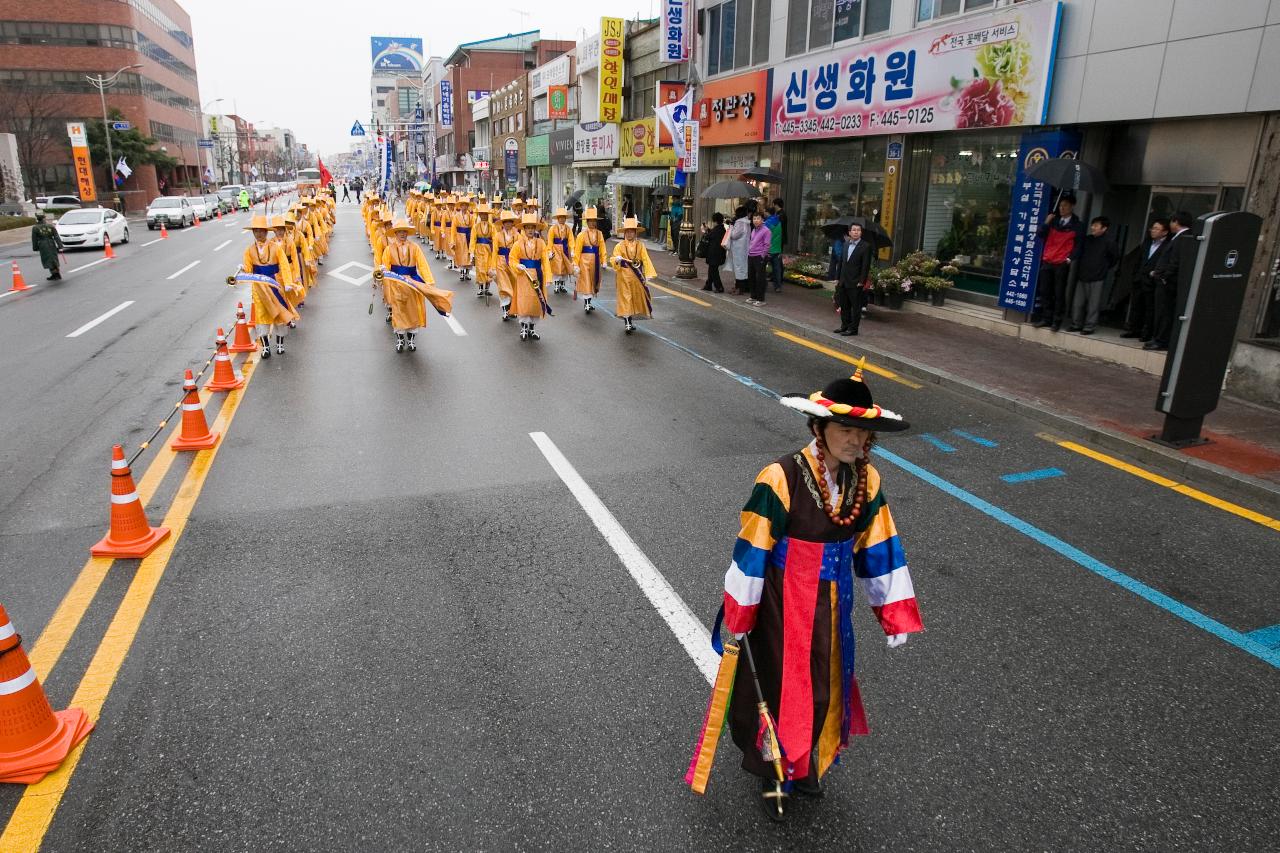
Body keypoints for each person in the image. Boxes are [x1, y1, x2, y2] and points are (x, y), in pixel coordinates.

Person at [707, 364, 921, 822]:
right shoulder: (779, 477)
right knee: (783, 686)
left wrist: (894, 611)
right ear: (819, 427)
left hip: (833, 603)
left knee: (826, 686)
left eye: (863, 433)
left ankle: (806, 763)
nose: (856, 441)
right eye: (845, 429)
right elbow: (752, 547)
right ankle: (774, 769)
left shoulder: (868, 482)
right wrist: (741, 612)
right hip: (783, 602)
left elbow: (880, 544)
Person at [376, 219, 453, 352]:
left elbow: (422, 264)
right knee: (399, 312)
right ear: (395, 233)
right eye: (399, 231)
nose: (402, 234)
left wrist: (429, 282)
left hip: (412, 283)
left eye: (404, 231)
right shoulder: (389, 249)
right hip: (396, 284)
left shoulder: (415, 247)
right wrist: (379, 275)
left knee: (412, 312)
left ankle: (411, 339)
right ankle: (400, 339)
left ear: (407, 233)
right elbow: (385, 267)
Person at [240, 214, 298, 358]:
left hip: (274, 284)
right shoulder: (249, 250)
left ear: (266, 232)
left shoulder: (275, 248)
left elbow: (284, 265)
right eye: (256, 231)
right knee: (261, 316)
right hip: (259, 288)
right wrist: (243, 269)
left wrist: (288, 282)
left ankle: (280, 345)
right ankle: (265, 347)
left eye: (261, 230)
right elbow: (248, 269)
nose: (259, 233)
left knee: (279, 314)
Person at [1147, 211, 1196, 352]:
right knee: (1162, 311)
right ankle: (1158, 338)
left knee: (1165, 312)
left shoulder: (1184, 238)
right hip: (1165, 280)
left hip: (1168, 283)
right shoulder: (1178, 237)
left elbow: (1175, 261)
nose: (1170, 224)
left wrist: (1164, 276)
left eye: (1171, 222)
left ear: (1176, 222)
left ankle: (1161, 340)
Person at [1033, 195, 1084, 331]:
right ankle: (1046, 318)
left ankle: (1057, 320)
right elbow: (1040, 235)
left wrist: (1069, 259)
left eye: (1065, 205)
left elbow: (1079, 246)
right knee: (1045, 291)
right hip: (1048, 260)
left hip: (1061, 263)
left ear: (1072, 206)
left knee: (1059, 292)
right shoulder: (1053, 221)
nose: (1062, 208)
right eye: (1060, 205)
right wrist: (1046, 222)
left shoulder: (1077, 225)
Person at [1068, 216, 1120, 335]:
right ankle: (1076, 323)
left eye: (1096, 225)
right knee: (1078, 303)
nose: (1093, 227)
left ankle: (1089, 326)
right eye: (1093, 225)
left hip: (1098, 277)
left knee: (1093, 304)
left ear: (1104, 228)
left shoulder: (1109, 242)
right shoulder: (1087, 239)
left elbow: (1114, 258)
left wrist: (1103, 268)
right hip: (1082, 275)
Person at [1121, 219, 1170, 341]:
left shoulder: (1167, 246)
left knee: (1149, 308)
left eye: (1157, 229)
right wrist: (1135, 275)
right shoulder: (1147, 243)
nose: (1153, 231)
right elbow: (1139, 260)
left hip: (1152, 281)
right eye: (1152, 228)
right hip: (1139, 279)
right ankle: (1133, 329)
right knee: (1136, 306)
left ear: (1164, 232)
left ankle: (1147, 332)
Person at [508, 212, 553, 340]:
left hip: (537, 275)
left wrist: (548, 277)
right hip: (524, 276)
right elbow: (512, 258)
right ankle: (523, 328)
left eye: (532, 227)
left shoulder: (541, 243)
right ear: (524, 229)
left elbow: (545, 260)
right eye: (527, 227)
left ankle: (532, 329)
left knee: (536, 302)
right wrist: (517, 265)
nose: (530, 230)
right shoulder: (518, 244)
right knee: (524, 301)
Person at [609, 217, 656, 334]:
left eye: (632, 231)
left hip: (637, 276)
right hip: (624, 275)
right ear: (625, 232)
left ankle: (631, 319)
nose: (629, 233)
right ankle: (628, 323)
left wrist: (649, 273)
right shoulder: (619, 246)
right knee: (626, 298)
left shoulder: (640, 245)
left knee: (635, 297)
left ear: (635, 233)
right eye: (627, 231)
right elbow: (613, 258)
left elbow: (645, 259)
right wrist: (617, 259)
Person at [835, 223, 872, 336]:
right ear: (849, 232)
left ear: (861, 233)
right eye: (854, 230)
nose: (856, 232)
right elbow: (841, 263)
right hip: (843, 281)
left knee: (855, 307)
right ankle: (844, 326)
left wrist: (862, 281)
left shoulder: (865, 246)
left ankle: (853, 329)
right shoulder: (846, 244)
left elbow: (865, 266)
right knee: (844, 305)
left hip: (856, 282)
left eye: (858, 230)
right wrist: (837, 278)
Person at [574, 206, 606, 312]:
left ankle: (589, 301)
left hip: (596, 261)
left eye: (594, 221)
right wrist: (575, 264)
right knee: (586, 280)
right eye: (590, 221)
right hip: (584, 261)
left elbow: (602, 247)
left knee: (593, 280)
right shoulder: (581, 235)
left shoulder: (600, 234)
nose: (592, 223)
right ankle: (587, 303)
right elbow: (577, 250)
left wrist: (604, 260)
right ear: (586, 222)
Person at [493, 209, 520, 321]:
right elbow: (494, 251)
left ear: (512, 223)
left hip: (513, 262)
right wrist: (492, 267)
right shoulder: (497, 235)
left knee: (514, 286)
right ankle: (505, 310)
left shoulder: (518, 235)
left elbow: (521, 250)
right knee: (504, 287)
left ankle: (512, 309)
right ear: (503, 223)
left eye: (510, 221)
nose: (508, 224)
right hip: (501, 262)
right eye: (505, 222)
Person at [470, 203, 496, 298]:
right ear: (479, 215)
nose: (484, 216)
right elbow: (473, 239)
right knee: (480, 269)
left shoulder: (492, 226)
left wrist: (493, 244)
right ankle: (481, 287)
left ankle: (487, 288)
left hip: (489, 250)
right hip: (479, 249)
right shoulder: (476, 227)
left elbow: (495, 238)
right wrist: (472, 252)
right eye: (482, 214)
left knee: (489, 269)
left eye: (485, 214)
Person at [548, 207, 575, 293]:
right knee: (557, 267)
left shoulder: (568, 229)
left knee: (565, 267)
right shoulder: (552, 228)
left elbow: (571, 239)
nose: (562, 219)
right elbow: (550, 241)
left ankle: (562, 285)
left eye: (563, 217)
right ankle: (556, 285)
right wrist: (550, 251)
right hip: (556, 250)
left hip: (565, 249)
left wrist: (572, 250)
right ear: (557, 218)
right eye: (560, 217)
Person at [746, 212, 771, 306]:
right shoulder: (754, 230)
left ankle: (761, 299)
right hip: (751, 256)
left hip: (759, 257)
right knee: (751, 276)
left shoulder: (766, 231)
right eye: (754, 219)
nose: (756, 220)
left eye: (758, 218)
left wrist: (762, 256)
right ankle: (753, 296)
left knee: (760, 278)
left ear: (762, 220)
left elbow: (767, 245)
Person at [30, 213, 63, 280]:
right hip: (51, 243)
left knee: (47, 259)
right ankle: (56, 273)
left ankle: (55, 274)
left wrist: (35, 247)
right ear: (43, 219)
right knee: (53, 258)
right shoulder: (50, 226)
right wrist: (60, 246)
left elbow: (34, 239)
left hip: (43, 245)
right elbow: (56, 236)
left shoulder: (35, 228)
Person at [702, 212, 727, 293]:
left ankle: (719, 287)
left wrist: (705, 231)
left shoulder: (717, 229)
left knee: (713, 271)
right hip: (718, 253)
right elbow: (712, 233)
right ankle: (708, 285)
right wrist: (708, 230)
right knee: (712, 269)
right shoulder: (721, 229)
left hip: (714, 253)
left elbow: (708, 236)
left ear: (715, 221)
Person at [728, 207, 751, 295]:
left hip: (738, 249)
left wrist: (731, 228)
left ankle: (739, 288)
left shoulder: (740, 222)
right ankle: (739, 287)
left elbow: (734, 235)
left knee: (738, 268)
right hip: (744, 248)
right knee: (742, 268)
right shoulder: (747, 222)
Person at [452, 196, 474, 281]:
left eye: (466, 205)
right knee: (460, 254)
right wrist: (453, 241)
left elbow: (473, 228)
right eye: (463, 205)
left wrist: (473, 238)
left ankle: (467, 272)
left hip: (468, 236)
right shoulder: (456, 216)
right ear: (460, 206)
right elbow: (453, 229)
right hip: (459, 237)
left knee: (468, 255)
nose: (464, 207)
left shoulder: (471, 216)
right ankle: (461, 272)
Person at [764, 205, 784, 293]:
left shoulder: (766, 223)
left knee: (762, 268)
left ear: (767, 212)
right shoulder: (779, 222)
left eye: (765, 211)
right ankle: (777, 286)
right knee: (777, 269)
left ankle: (763, 284)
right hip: (777, 249)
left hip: (768, 250)